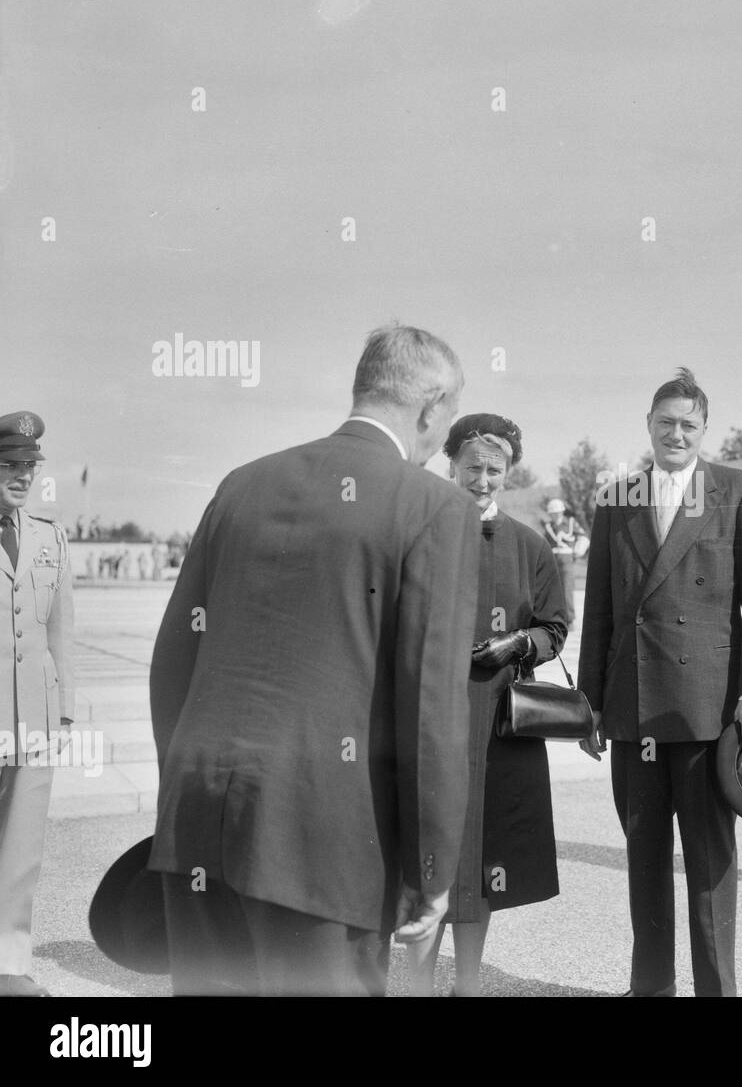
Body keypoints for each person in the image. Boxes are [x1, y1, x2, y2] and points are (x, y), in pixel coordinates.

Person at [148, 325, 481, 996]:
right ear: (430, 405)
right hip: (324, 847)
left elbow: (173, 660)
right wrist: (432, 866)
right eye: (446, 421)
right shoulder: (435, 506)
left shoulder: (242, 484)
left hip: (198, 824)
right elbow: (431, 710)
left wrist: (190, 782)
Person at [577, 367, 742, 997]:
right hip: (632, 707)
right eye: (666, 421)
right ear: (648, 426)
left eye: (689, 423)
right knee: (643, 864)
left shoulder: (738, 489)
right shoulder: (617, 500)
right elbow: (601, 613)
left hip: (706, 708)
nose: (677, 433)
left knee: (710, 865)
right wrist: (588, 705)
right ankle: (651, 989)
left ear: (704, 430)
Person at [416, 414, 567, 997]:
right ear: (450, 463)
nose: (483, 479)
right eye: (473, 467)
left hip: (497, 719)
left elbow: (555, 626)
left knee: (484, 853)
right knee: (426, 850)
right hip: (428, 714)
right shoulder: (419, 532)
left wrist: (521, 642)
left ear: (509, 473)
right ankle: (424, 984)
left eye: (495, 469)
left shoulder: (529, 545)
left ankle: (470, 984)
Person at [0, 412, 75, 997]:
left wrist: (65, 711)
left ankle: (8, 967)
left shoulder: (50, 535)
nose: (22, 476)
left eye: (29, 467)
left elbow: (59, 634)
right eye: (10, 465)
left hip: (35, 718)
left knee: (21, 850)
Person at [541, 498, 587, 627]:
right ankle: (555, 618)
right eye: (553, 513)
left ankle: (570, 619)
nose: (555, 515)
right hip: (553, 559)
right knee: (552, 590)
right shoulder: (548, 526)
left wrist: (577, 551)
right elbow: (545, 544)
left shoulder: (571, 523)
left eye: (557, 512)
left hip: (567, 559)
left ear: (562, 512)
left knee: (567, 589)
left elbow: (583, 538)